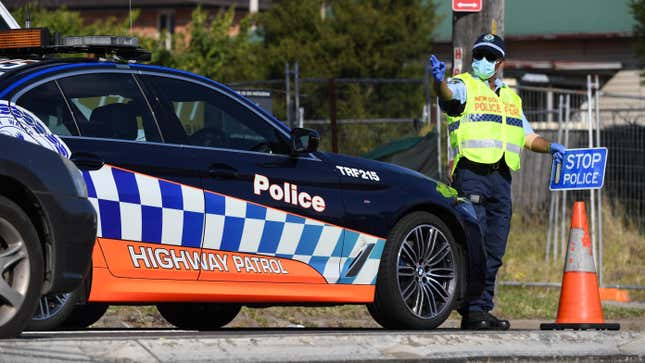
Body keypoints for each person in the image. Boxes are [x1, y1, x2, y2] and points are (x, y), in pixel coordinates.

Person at [429, 33, 565, 330]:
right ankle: (466, 306)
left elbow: (528, 136)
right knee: (473, 244)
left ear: (501, 63)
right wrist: (438, 82)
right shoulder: (464, 84)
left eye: (490, 57)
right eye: (479, 55)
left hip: (501, 179)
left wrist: (550, 146)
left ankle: (479, 309)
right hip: (472, 174)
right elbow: (447, 96)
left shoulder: (511, 99)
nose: (483, 61)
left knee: (494, 249)